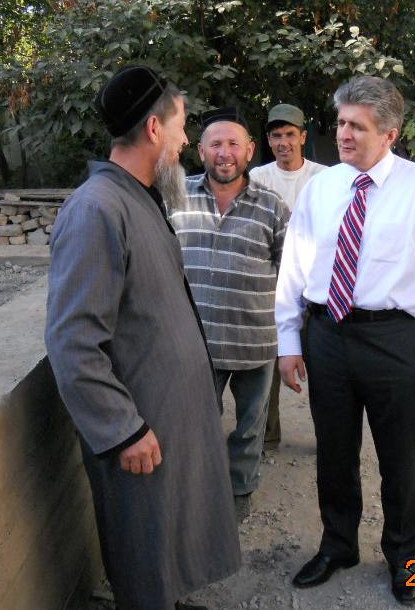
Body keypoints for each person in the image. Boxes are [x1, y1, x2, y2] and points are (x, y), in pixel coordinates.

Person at [45, 66, 241, 610]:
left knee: (165, 545)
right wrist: (121, 428)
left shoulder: (138, 197)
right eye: (181, 126)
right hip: (138, 433)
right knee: (142, 552)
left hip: (164, 423)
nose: (186, 140)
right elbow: (73, 341)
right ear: (154, 129)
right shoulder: (96, 208)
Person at [275, 76, 415, 603]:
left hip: (393, 341)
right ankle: (338, 545)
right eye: (341, 123)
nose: (344, 134)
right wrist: (289, 341)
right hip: (327, 335)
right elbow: (295, 268)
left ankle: (404, 557)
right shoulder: (322, 188)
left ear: (390, 134)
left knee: (399, 458)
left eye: (357, 126)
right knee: (334, 453)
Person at [168, 106, 290, 522]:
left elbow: (290, 272)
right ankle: (202, 490)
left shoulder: (273, 207)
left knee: (250, 425)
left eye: (234, 144)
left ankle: (240, 490)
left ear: (250, 151)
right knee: (197, 423)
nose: (225, 153)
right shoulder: (175, 196)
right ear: (201, 150)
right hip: (193, 342)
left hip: (255, 339)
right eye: (216, 144)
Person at [249, 104, 328, 449]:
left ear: (303, 137)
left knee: (324, 368)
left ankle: (330, 439)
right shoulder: (257, 178)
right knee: (268, 366)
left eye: (290, 134)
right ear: (269, 140)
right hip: (271, 285)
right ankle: (267, 436)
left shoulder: (324, 178)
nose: (284, 142)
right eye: (277, 135)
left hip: (316, 288)